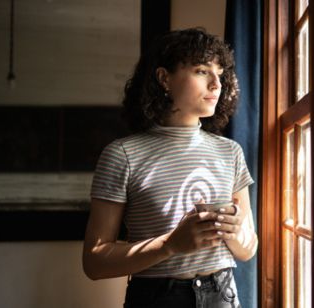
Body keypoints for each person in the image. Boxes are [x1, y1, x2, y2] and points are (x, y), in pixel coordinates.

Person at [82, 27, 258, 308]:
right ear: (164, 78)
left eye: (220, 74)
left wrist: (235, 232)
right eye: (202, 71)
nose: (216, 84)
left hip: (224, 296)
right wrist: (170, 245)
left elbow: (248, 249)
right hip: (157, 298)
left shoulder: (230, 152)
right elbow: (94, 262)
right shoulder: (122, 155)